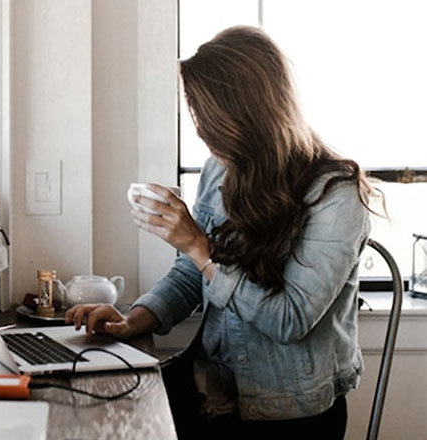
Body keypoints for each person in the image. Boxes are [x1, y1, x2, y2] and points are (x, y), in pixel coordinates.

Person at [66, 25, 379, 439]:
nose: (200, 131)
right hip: (213, 387)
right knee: (97, 413)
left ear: (248, 113)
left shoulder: (336, 196)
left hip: (287, 412)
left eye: (207, 117)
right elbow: (189, 275)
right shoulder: (222, 169)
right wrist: (132, 320)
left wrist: (199, 247)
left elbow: (290, 319)